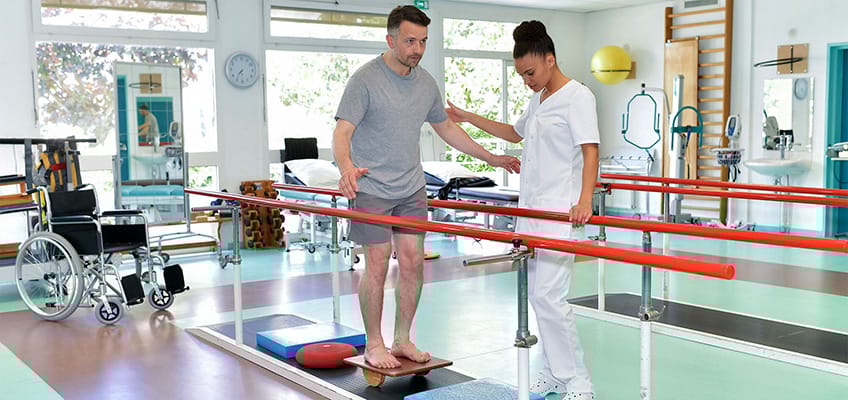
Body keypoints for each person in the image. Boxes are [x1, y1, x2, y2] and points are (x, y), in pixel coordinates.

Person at [332, 5, 520, 370]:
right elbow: (342, 130)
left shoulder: (426, 83)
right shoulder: (365, 79)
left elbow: (447, 128)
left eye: (422, 42)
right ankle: (375, 343)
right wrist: (346, 168)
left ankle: (401, 339)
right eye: (409, 41)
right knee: (375, 265)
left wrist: (489, 158)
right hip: (370, 186)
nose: (417, 49)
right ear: (390, 40)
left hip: (411, 189)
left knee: (414, 263)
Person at [445, 20, 599, 400]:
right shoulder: (539, 98)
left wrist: (584, 200)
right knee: (538, 297)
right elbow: (515, 133)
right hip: (531, 213)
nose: (527, 80)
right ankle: (552, 373)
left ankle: (579, 383)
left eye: (530, 72)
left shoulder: (578, 96)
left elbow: (590, 149)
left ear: (550, 59)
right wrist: (467, 117)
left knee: (550, 298)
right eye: (521, 75)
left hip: (561, 215)